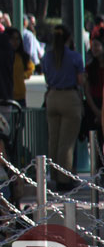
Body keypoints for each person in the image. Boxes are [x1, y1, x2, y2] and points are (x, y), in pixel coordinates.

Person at [42, 25, 96, 191]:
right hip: (69, 97)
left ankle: (54, 174)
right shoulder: (74, 57)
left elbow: (46, 78)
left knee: (54, 140)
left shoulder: (47, 57)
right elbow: (80, 80)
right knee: (67, 142)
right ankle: (65, 179)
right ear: (68, 39)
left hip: (52, 96)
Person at [5, 27, 34, 107]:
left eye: (17, 39)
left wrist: (24, 75)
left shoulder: (23, 56)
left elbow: (31, 68)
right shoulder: (3, 56)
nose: (15, 42)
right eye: (12, 39)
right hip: (7, 96)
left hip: (20, 96)